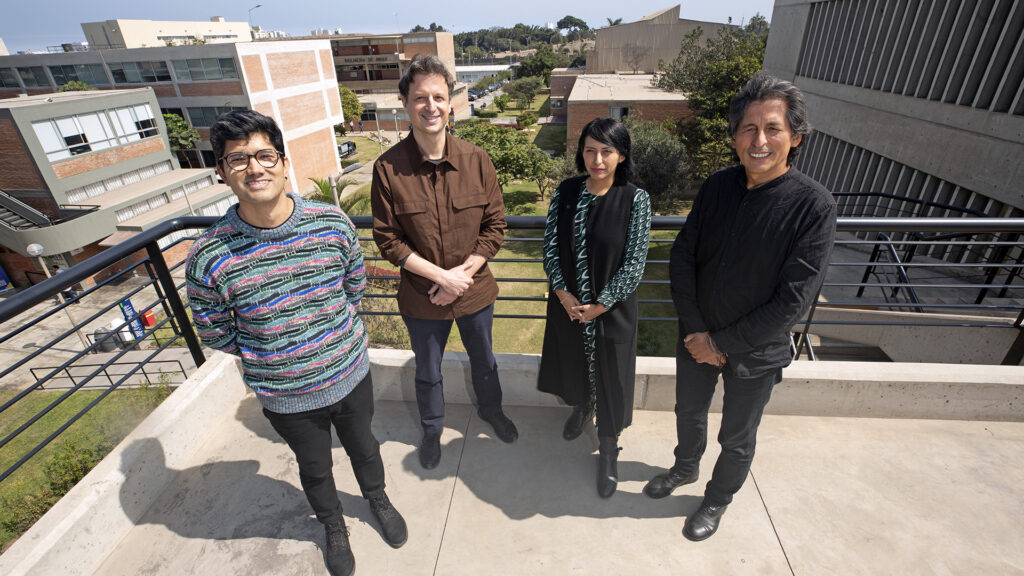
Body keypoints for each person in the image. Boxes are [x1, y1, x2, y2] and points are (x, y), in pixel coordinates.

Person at [185, 110, 406, 576]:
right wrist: (276, 356)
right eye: (238, 159)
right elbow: (214, 331)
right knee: (315, 467)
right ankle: (332, 525)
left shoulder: (331, 224)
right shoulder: (209, 255)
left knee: (365, 446)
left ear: (284, 163)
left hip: (349, 375)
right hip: (285, 396)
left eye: (264, 155)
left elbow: (353, 285)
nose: (255, 168)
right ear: (222, 173)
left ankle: (376, 498)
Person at [643, 71, 837, 542]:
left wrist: (721, 343)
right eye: (748, 129)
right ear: (734, 137)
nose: (760, 140)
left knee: (737, 436)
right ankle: (685, 468)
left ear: (795, 137)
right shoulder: (717, 187)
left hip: (757, 352)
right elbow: (684, 255)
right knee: (687, 412)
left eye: (773, 128)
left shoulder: (813, 206)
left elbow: (793, 299)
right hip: (696, 335)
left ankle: (716, 498)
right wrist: (696, 332)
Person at [371, 54, 518, 470]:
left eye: (438, 96)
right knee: (428, 371)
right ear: (405, 103)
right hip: (423, 298)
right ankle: (432, 428)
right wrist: (440, 278)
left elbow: (494, 227)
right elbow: (388, 238)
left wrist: (460, 277)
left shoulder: (477, 160)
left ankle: (492, 412)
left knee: (485, 361)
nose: (430, 106)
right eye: (420, 97)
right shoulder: (388, 169)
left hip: (474, 292)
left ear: (450, 103)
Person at [537, 118, 651, 498]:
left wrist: (600, 305)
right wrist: (564, 294)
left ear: (621, 155)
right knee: (573, 366)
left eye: (606, 151)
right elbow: (551, 246)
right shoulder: (566, 192)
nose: (597, 159)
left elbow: (634, 263)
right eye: (589, 150)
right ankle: (582, 407)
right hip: (569, 309)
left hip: (610, 312)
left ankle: (608, 448)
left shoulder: (635, 199)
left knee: (612, 377)